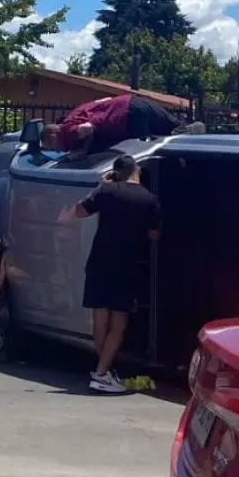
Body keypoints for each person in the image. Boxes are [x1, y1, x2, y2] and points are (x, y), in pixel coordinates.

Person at [70, 155, 161, 393]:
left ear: (115, 172)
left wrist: (101, 187)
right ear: (137, 170)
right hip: (126, 264)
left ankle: (104, 369)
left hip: (99, 261)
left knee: (100, 318)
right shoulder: (149, 199)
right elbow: (154, 235)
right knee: (119, 323)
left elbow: (79, 211)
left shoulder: (107, 191)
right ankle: (101, 374)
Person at [40, 94, 205, 160]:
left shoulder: (65, 131)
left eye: (53, 147)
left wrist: (83, 150)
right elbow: (106, 99)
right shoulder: (76, 112)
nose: (57, 151)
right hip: (134, 102)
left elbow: (88, 128)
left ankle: (186, 135)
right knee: (173, 128)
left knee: (148, 148)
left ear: (53, 136)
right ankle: (192, 131)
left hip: (127, 119)